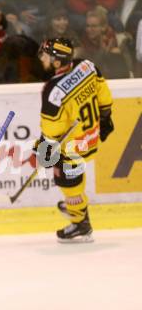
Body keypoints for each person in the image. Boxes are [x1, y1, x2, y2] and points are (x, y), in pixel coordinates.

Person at [36, 37, 114, 243]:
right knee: (73, 176)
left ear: (56, 61)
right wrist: (106, 118)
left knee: (67, 178)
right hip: (90, 135)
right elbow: (103, 93)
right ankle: (77, 207)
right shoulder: (87, 66)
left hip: (71, 146)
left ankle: (81, 223)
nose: (41, 59)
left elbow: (52, 130)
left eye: (45, 56)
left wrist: (45, 147)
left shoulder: (53, 91)